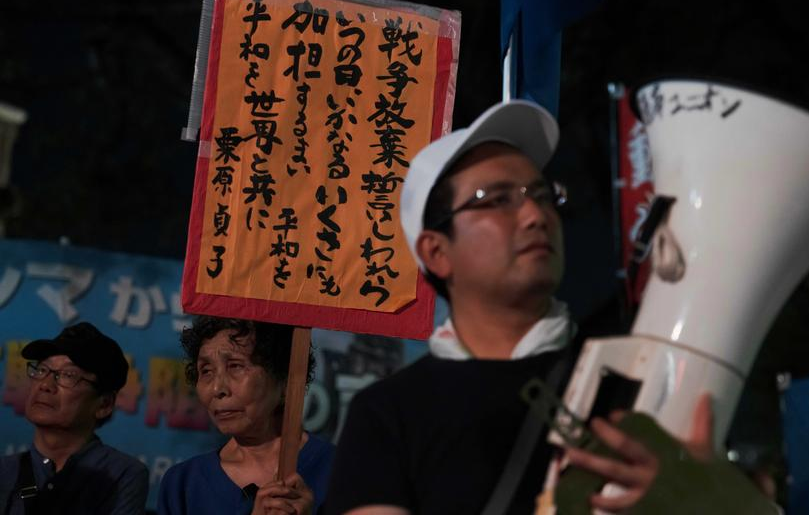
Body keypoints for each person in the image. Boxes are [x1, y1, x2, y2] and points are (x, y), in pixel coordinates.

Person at [324, 100, 712, 514]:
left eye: (542, 195)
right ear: (436, 252)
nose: (534, 214)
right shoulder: (388, 415)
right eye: (496, 199)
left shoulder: (641, 377)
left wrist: (705, 501)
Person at [157, 316, 334, 515]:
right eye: (206, 371)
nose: (217, 388)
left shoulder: (339, 471)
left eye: (235, 366)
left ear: (285, 380)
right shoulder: (183, 484)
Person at [0, 321, 149, 515]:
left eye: (68, 375)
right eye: (42, 370)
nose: (45, 385)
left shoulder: (122, 474)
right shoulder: (5, 471)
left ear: (104, 404)